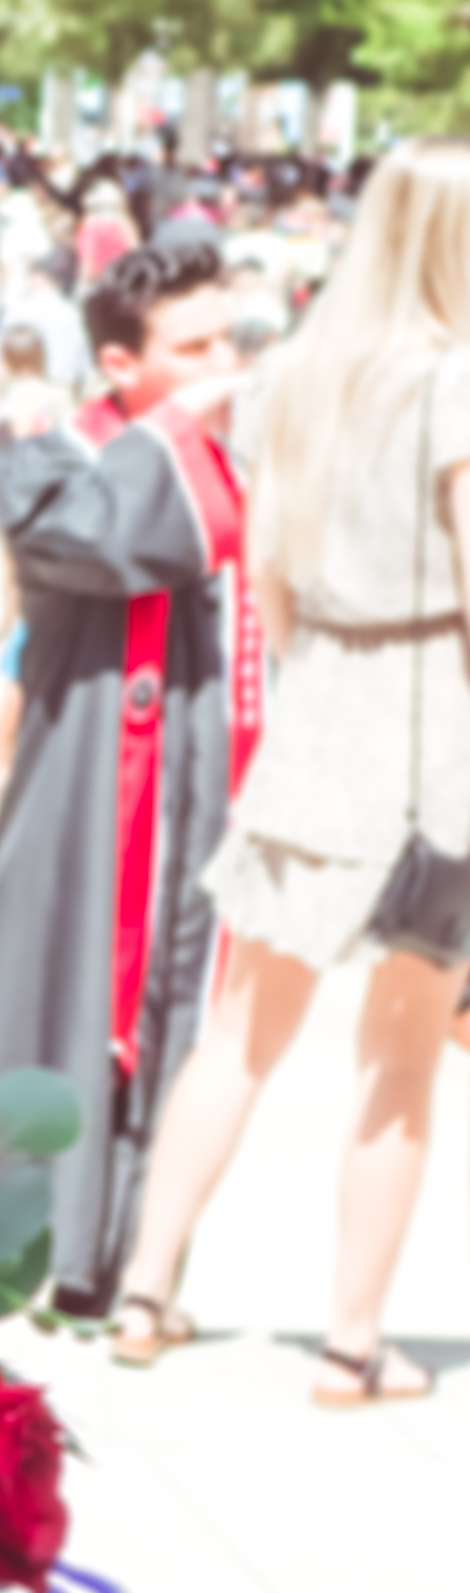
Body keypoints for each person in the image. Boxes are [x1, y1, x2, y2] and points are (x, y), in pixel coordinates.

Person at [109, 144, 470, 1397]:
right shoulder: (454, 383)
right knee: (402, 1054)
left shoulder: (294, 380)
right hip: (433, 729)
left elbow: (260, 571)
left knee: (241, 1034)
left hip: (319, 707)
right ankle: (349, 1343)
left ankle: (146, 1290)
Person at [0, 228, 244, 1315]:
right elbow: (111, 539)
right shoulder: (46, 459)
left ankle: (123, 1256)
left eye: (228, 341)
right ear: (118, 364)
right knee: (47, 983)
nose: (222, 367)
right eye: (193, 346)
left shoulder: (231, 462)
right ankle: (12, 1245)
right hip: (78, 787)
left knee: (171, 1004)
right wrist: (180, 430)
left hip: (191, 790)